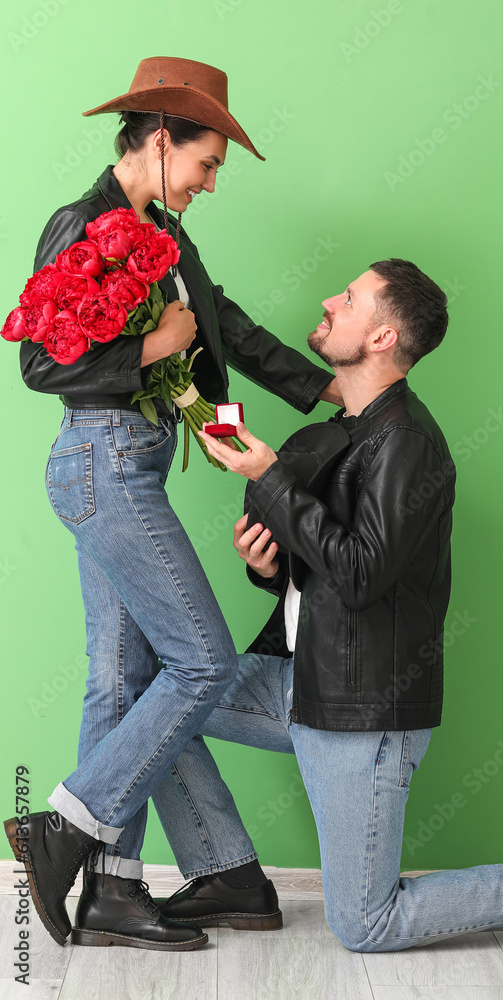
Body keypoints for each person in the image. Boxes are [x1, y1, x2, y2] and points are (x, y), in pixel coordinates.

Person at [146, 259, 503, 951]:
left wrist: (268, 477)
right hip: (305, 683)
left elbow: (360, 576)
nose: (329, 300)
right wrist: (269, 569)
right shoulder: (353, 429)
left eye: (349, 298)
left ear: (384, 337)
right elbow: (336, 568)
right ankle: (227, 873)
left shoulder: (407, 444)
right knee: (153, 699)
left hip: (359, 712)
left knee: (365, 923)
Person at [4, 56, 342, 952]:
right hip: (102, 458)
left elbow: (221, 328)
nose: (210, 180)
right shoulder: (82, 226)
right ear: (161, 140)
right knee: (198, 663)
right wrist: (155, 346)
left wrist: (326, 393)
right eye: (206, 161)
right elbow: (42, 364)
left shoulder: (164, 237)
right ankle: (68, 825)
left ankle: (128, 888)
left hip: (136, 462)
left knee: (123, 681)